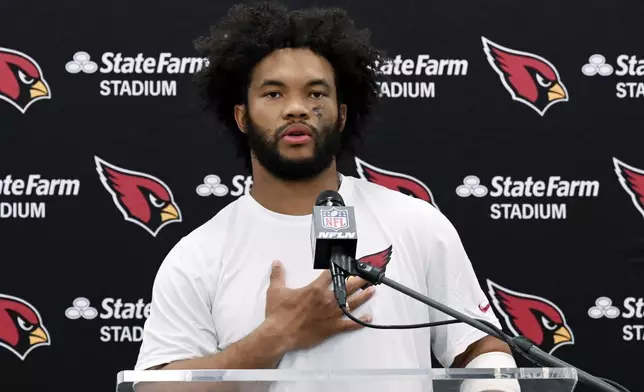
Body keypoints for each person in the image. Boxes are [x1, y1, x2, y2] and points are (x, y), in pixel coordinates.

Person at [135, 2, 520, 391]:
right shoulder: (198, 255)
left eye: (316, 93)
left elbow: (477, 346)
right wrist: (276, 336)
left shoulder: (416, 223)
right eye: (273, 94)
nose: (297, 108)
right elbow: (156, 388)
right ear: (241, 117)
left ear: (341, 114)